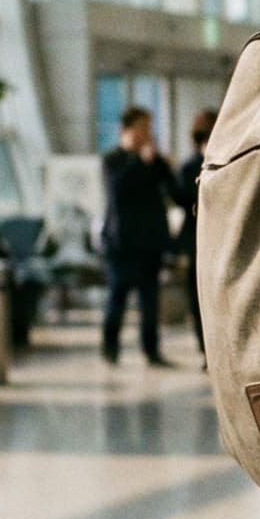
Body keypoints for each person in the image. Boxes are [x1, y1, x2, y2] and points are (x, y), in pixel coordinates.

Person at [98, 106, 179, 368]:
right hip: (120, 244)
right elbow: (118, 190)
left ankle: (151, 350)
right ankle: (110, 347)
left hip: (149, 243)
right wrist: (140, 161)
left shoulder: (152, 160)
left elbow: (172, 190)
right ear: (127, 129)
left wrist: (159, 163)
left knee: (150, 301)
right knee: (117, 298)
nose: (147, 133)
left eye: (149, 127)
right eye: (142, 127)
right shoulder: (113, 159)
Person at [177, 108, 216, 357]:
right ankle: (205, 348)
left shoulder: (227, 162)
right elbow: (182, 197)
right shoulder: (190, 167)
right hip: (196, 239)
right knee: (198, 295)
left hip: (215, 238)